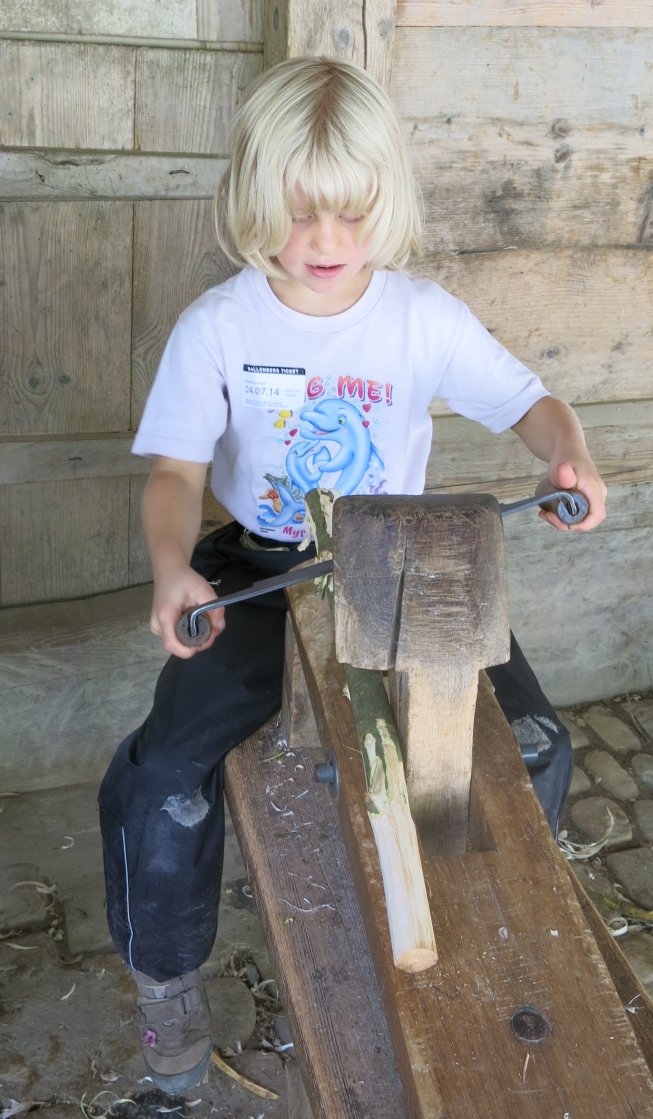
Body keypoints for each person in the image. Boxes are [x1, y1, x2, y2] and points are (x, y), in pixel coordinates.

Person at [98, 56, 607, 1094]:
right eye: (295, 217)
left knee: (531, 750)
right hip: (254, 566)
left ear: (388, 202)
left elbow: (529, 406)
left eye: (351, 216)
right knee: (160, 785)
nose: (323, 245)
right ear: (249, 199)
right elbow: (172, 475)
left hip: (407, 558)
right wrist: (167, 570)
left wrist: (568, 457)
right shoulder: (220, 328)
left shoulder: (422, 317)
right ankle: (168, 994)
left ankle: (462, 938)